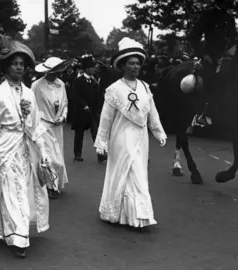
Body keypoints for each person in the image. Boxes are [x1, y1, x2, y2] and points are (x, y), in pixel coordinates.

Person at [0, 27, 51, 258]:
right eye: (14, 63)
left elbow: (36, 127)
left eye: (21, 64)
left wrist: (43, 153)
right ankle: (17, 236)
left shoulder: (28, 94)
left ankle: (16, 231)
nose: (18, 67)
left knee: (22, 190)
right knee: (9, 190)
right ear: (5, 67)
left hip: (24, 148)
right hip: (4, 147)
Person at [94, 37, 167, 231]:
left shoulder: (144, 87)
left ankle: (132, 216)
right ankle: (133, 215)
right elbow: (106, 118)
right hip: (121, 137)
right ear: (123, 66)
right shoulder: (114, 90)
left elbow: (153, 112)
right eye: (131, 64)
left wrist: (158, 131)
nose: (136, 67)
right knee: (128, 171)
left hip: (141, 137)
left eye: (138, 64)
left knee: (137, 172)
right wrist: (101, 141)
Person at [187, 0, 237, 125]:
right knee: (211, 80)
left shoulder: (229, 17)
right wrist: (203, 54)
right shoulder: (208, 15)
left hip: (227, 55)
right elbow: (194, 36)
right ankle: (203, 113)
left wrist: (231, 51)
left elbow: (233, 37)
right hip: (210, 55)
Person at [31, 57, 71, 199]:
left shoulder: (61, 84)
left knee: (58, 154)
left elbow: (65, 102)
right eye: (54, 72)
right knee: (50, 157)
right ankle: (50, 185)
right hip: (43, 124)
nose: (56, 75)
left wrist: (64, 115)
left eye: (58, 72)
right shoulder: (36, 85)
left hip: (57, 126)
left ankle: (55, 183)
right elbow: (31, 105)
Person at [71, 54, 105, 163]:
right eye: (91, 68)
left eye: (94, 67)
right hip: (81, 112)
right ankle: (77, 154)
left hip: (92, 112)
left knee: (96, 133)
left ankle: (101, 155)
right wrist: (83, 104)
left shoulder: (94, 80)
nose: (93, 69)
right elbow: (75, 95)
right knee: (79, 134)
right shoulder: (78, 80)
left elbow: (97, 95)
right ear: (86, 69)